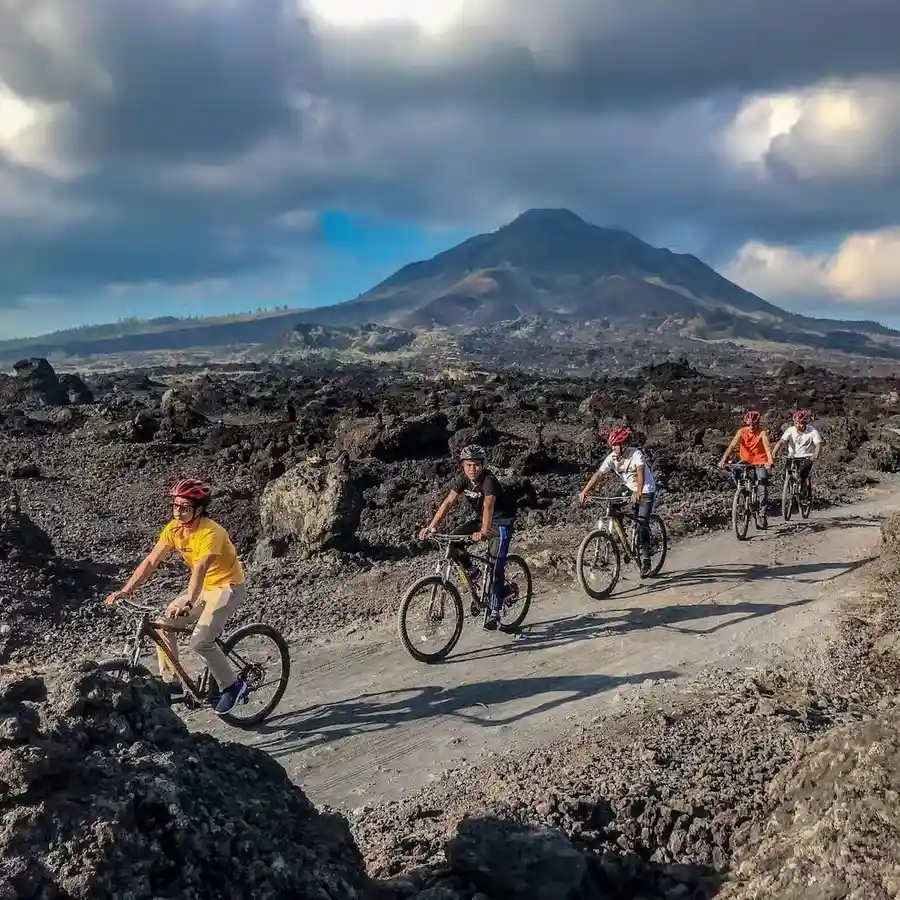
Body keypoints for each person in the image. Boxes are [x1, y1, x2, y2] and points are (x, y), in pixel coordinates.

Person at [104, 478, 248, 714]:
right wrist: (126, 590)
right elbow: (151, 561)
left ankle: (233, 686)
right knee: (164, 624)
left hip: (227, 588)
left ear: (199, 509)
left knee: (201, 641)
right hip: (204, 588)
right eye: (176, 506)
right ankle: (173, 683)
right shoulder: (174, 529)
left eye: (184, 507)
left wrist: (189, 601)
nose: (178, 511)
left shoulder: (211, 532)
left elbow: (200, 568)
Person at [419, 445, 517, 630]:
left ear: (483, 465)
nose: (472, 469)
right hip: (481, 520)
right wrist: (431, 526)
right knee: (453, 542)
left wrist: (484, 532)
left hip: (500, 523)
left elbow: (488, 506)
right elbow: (448, 502)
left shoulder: (489, 481)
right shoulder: (463, 479)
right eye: (468, 465)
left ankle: (495, 611)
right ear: (462, 465)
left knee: (496, 566)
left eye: (476, 465)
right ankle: (474, 572)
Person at [579, 426, 657, 577]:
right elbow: (598, 474)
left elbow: (640, 475)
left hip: (646, 489)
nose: (613, 448)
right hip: (628, 487)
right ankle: (624, 540)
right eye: (612, 445)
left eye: (616, 445)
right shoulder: (612, 458)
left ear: (624, 445)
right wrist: (585, 490)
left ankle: (646, 560)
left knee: (642, 524)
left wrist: (639, 492)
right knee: (612, 504)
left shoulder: (636, 455)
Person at [718, 410, 774, 526]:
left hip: (760, 461)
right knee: (735, 471)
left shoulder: (762, 433)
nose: (751, 427)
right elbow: (732, 446)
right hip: (746, 460)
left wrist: (770, 461)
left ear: (758, 423)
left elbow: (768, 449)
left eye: (754, 424)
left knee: (762, 488)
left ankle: (762, 514)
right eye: (749, 424)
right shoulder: (741, 432)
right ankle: (743, 492)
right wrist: (723, 459)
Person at [772, 408, 823, 495]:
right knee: (785, 474)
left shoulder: (812, 431)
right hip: (792, 456)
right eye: (796, 423)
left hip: (806, 456)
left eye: (801, 423)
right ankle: (791, 490)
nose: (798, 425)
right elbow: (782, 441)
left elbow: (818, 444)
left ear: (805, 423)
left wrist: (815, 455)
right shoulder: (790, 430)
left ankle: (804, 489)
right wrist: (774, 452)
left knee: (802, 473)